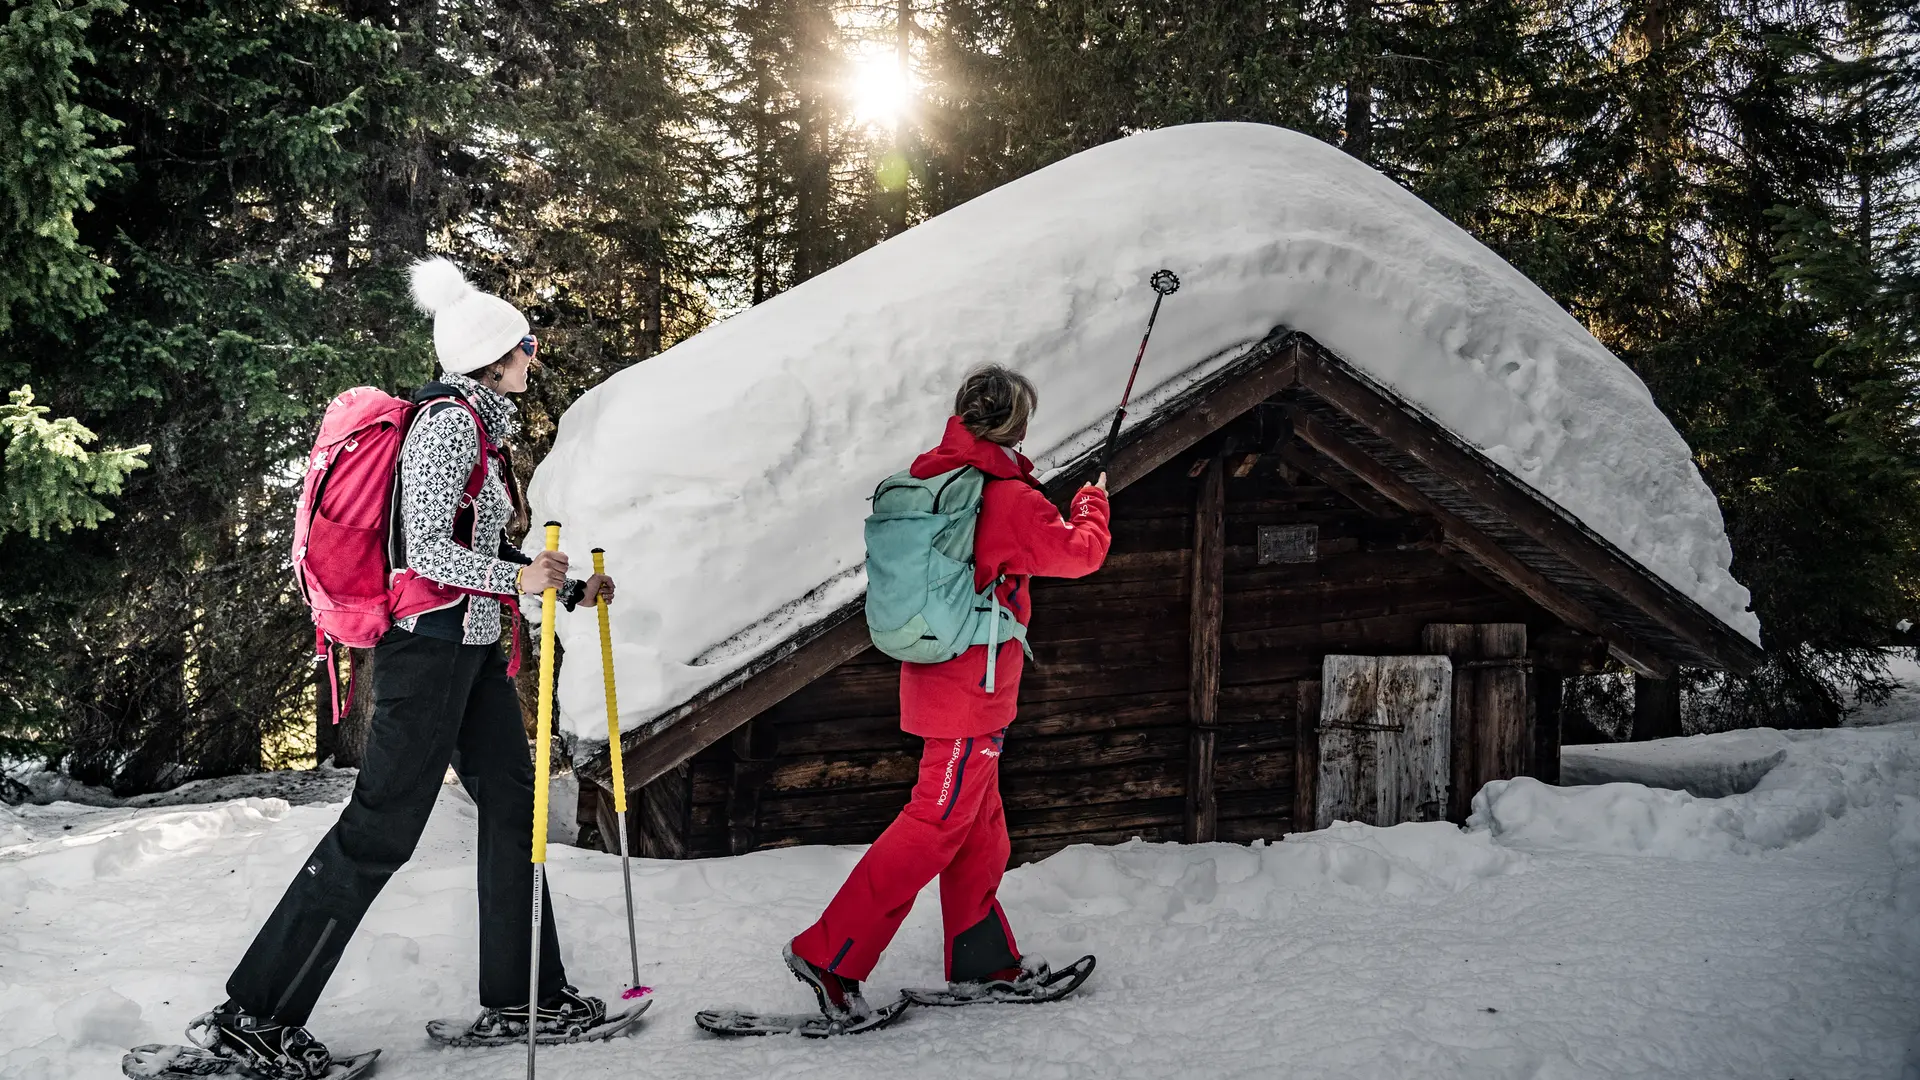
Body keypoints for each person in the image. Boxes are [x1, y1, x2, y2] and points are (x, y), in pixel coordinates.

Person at [187, 258, 615, 1079]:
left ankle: (527, 993)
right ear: (494, 353)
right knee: (382, 825)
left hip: (473, 650)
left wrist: (556, 585)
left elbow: (478, 546)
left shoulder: (484, 427)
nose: (535, 357)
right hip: (427, 651)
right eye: (527, 345)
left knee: (513, 808)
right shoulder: (450, 424)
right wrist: (514, 579)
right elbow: (424, 548)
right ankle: (255, 1015)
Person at [785, 364, 1112, 1020]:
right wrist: (1091, 503)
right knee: (934, 826)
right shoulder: (1003, 496)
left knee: (980, 830)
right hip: (971, 695)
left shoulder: (935, 477)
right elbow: (1080, 554)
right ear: (1017, 424)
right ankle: (828, 954)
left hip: (937, 678)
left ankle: (983, 961)